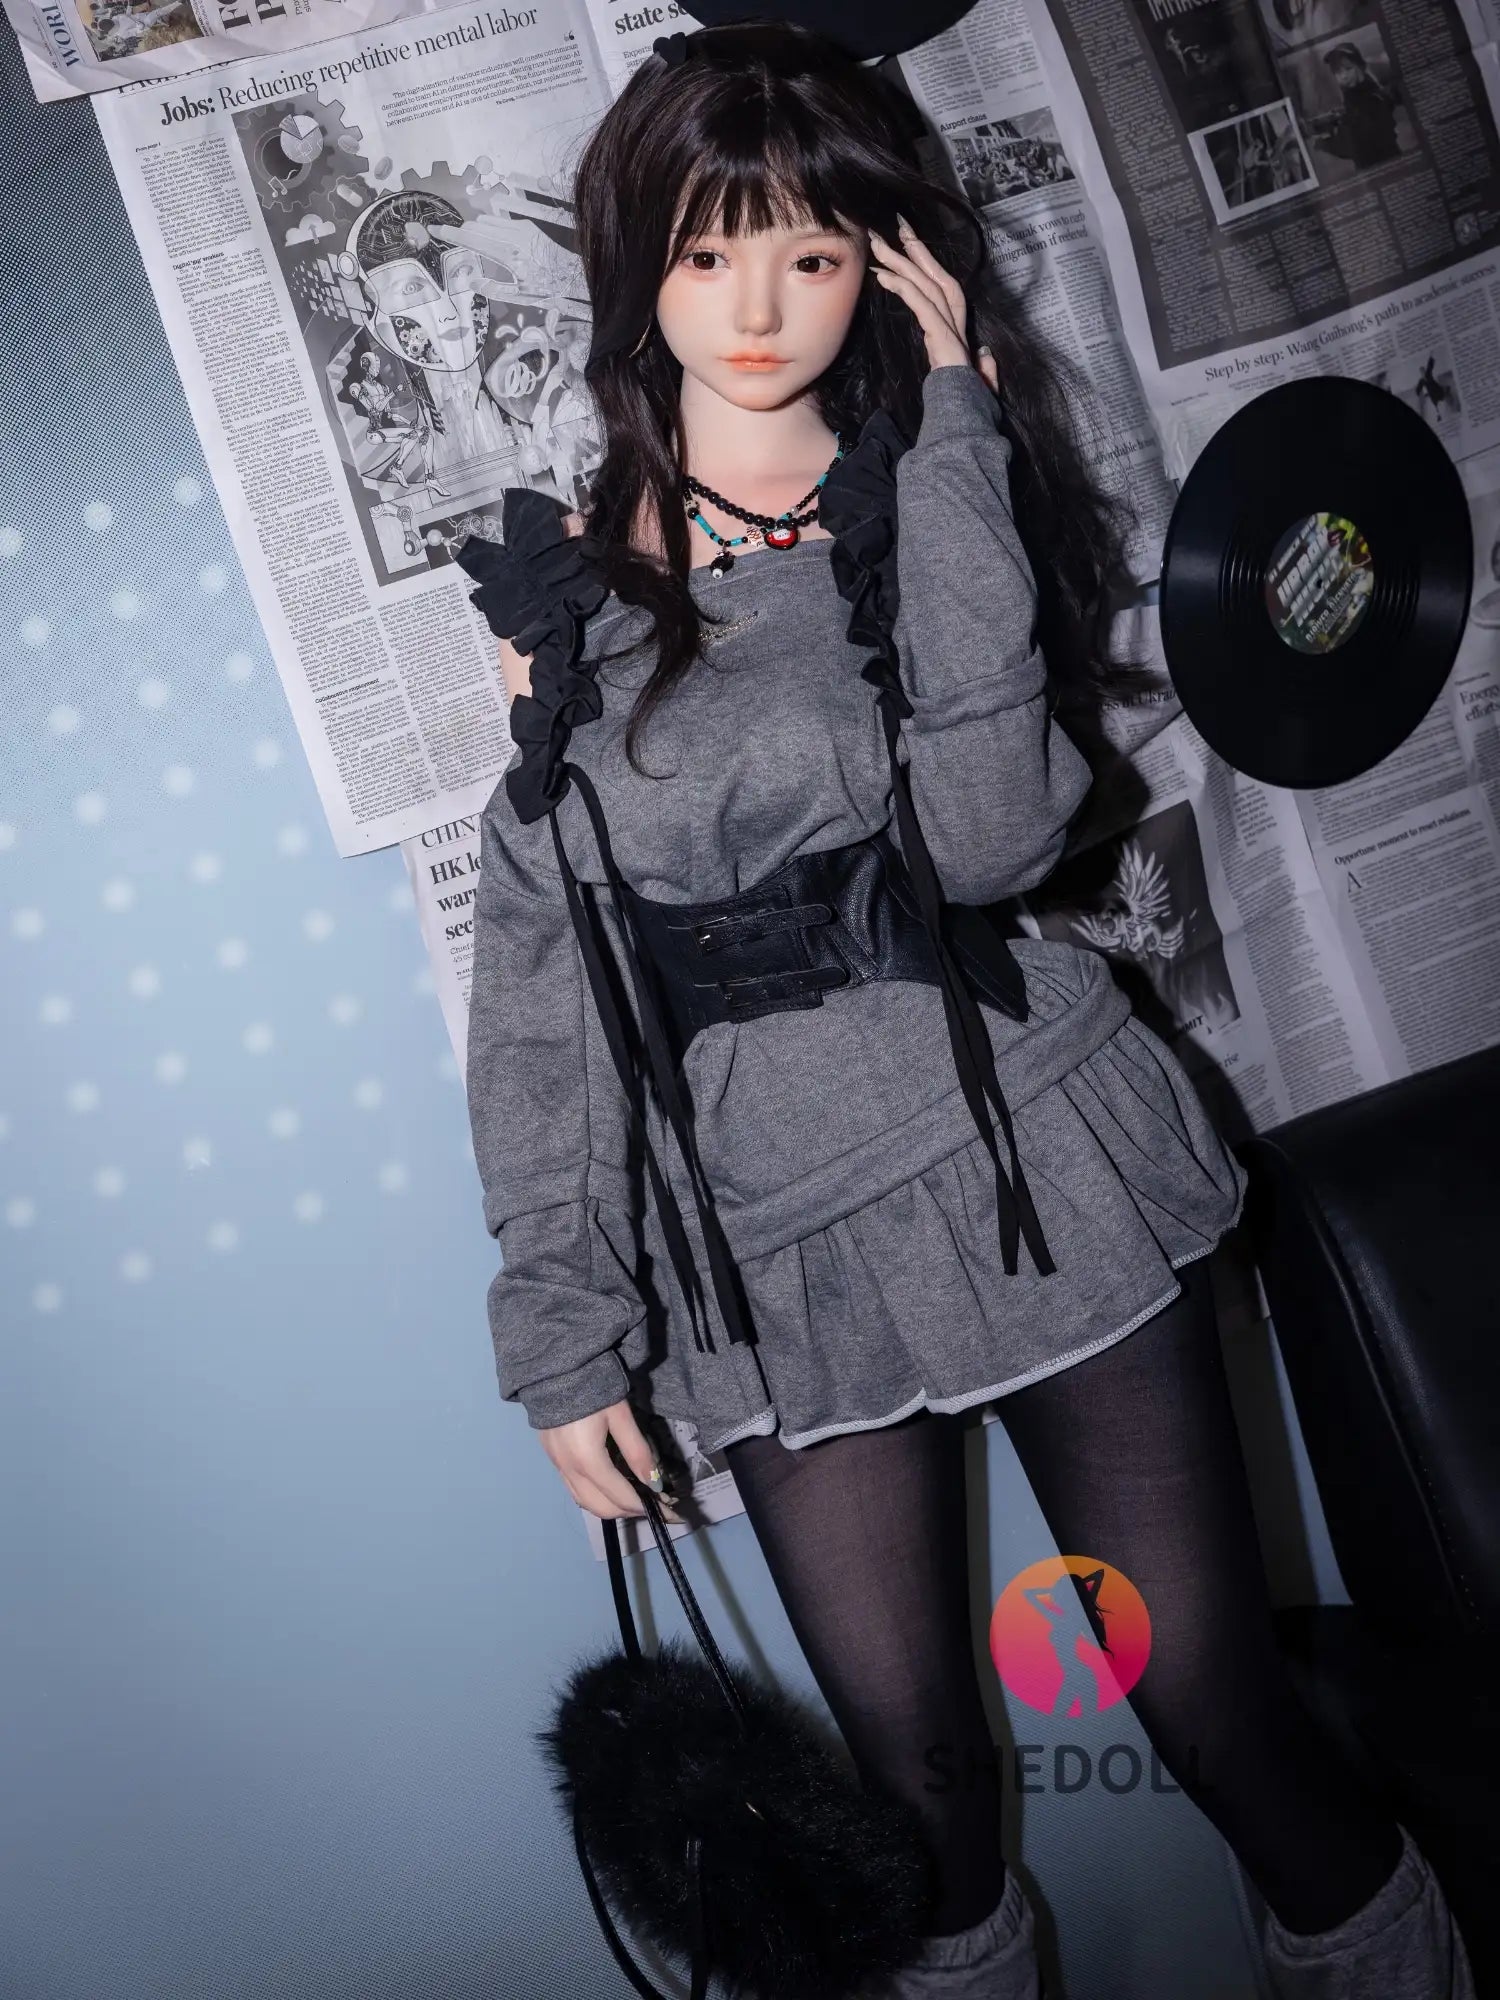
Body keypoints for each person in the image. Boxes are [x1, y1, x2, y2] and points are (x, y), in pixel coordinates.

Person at [456, 22, 1475, 1998]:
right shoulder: (561, 600)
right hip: (782, 1252)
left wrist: (960, 445)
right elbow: (545, 981)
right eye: (706, 252)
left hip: (1041, 1159)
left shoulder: (935, 493)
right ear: (639, 269)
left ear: (887, 265)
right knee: (914, 1808)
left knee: (1219, 1715)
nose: (759, 307)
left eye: (812, 252)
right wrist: (563, 1331)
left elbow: (999, 836)